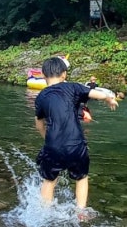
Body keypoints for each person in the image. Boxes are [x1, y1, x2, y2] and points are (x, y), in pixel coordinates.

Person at [34, 55, 118, 216]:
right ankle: (80, 213)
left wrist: (48, 140)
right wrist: (109, 99)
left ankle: (44, 214)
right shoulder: (73, 87)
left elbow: (38, 124)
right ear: (64, 74)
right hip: (76, 143)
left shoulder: (41, 97)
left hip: (53, 145)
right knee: (81, 177)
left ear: (44, 76)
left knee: (49, 180)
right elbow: (96, 94)